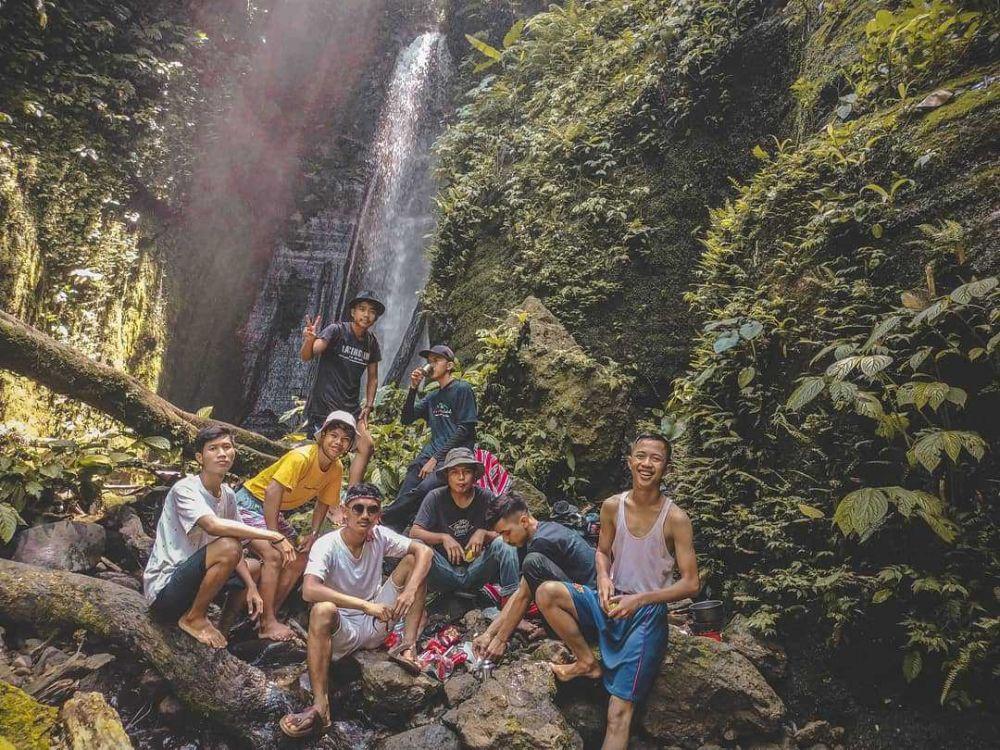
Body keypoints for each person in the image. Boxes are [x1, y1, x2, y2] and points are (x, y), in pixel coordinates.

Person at [536, 434, 700, 750]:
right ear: (629, 461)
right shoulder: (612, 506)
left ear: (667, 468)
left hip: (646, 616)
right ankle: (586, 661)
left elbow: (691, 584)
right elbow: (602, 552)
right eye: (641, 456)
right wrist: (602, 578)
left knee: (618, 713)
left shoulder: (676, 519)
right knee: (547, 592)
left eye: (656, 458)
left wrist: (641, 599)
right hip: (609, 602)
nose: (647, 464)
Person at [278, 483, 433, 738]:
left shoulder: (379, 535)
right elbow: (309, 590)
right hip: (343, 631)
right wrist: (364, 605)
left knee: (416, 564)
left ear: (378, 514)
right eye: (358, 509)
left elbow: (424, 551)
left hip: (376, 624)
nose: (365, 515)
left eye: (372, 510)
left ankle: (408, 646)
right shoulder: (327, 545)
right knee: (322, 609)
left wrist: (409, 590)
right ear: (344, 512)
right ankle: (321, 705)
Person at [143, 426, 297, 649]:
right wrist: (272, 534)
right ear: (200, 457)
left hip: (196, 580)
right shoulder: (184, 489)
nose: (222, 453)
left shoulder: (228, 494)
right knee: (229, 546)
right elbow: (212, 526)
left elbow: (237, 543)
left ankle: (224, 629)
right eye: (213, 449)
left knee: (252, 567)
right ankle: (194, 618)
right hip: (167, 589)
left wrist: (252, 587)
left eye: (227, 447)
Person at [235, 410, 370, 641]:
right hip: (249, 504)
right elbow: (272, 491)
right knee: (274, 555)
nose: (338, 442)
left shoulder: (335, 469)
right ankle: (267, 623)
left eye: (345, 439)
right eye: (333, 435)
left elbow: (323, 504)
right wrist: (274, 536)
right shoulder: (301, 457)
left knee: (301, 557)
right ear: (322, 435)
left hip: (273, 512)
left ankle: (266, 615)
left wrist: (313, 534)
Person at [473, 493, 597, 661]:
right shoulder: (529, 538)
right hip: (581, 601)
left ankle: (585, 658)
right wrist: (489, 634)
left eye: (506, 533)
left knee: (532, 564)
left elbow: (524, 595)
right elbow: (520, 592)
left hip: (595, 608)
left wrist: (501, 640)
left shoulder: (543, 541)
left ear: (524, 521)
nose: (505, 540)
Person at [381, 344, 477, 531]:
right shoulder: (433, 397)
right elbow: (406, 418)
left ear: (449, 366)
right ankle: (391, 531)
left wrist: (436, 458)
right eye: (429, 362)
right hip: (431, 452)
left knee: (426, 488)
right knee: (409, 483)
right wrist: (413, 389)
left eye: (436, 361)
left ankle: (383, 516)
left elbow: (465, 429)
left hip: (455, 455)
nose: (431, 365)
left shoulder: (462, 389)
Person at [409, 447, 519, 597]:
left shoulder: (486, 497)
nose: (461, 477)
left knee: (504, 543)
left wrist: (483, 534)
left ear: (474, 475)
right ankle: (416, 605)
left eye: (466, 472)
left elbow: (507, 532)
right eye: (454, 472)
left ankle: (512, 603)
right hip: (444, 570)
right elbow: (414, 532)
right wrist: (443, 538)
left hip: (476, 569)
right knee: (418, 548)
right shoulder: (435, 497)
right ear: (447, 476)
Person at [299, 290, 384, 433]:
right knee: (324, 448)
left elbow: (373, 378)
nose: (366, 315)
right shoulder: (336, 331)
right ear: (353, 312)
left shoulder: (372, 342)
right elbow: (308, 355)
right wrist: (309, 340)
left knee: (366, 446)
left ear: (375, 317)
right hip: (325, 407)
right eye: (362, 309)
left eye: (371, 312)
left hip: (351, 409)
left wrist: (369, 406)